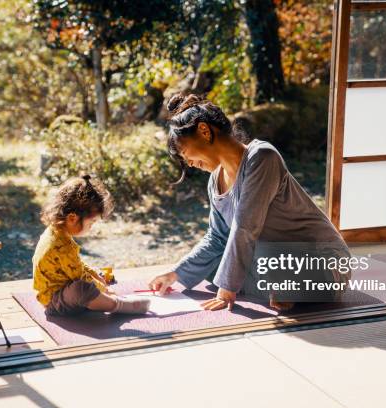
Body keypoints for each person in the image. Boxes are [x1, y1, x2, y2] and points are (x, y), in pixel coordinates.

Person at [149, 93, 350, 312]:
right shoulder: (215, 180)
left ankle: (291, 285)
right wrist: (174, 273)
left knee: (251, 254)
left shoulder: (262, 157)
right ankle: (283, 288)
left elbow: (246, 226)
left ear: (204, 131)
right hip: (274, 259)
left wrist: (227, 288)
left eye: (185, 153)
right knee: (213, 265)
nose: (188, 163)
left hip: (322, 261)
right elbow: (216, 237)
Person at [33, 175, 150, 316]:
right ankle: (118, 305)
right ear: (72, 218)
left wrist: (95, 275)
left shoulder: (56, 232)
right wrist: (103, 289)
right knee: (83, 289)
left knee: (93, 279)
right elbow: (80, 277)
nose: (91, 227)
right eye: (91, 223)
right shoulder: (62, 247)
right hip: (55, 301)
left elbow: (77, 266)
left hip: (63, 291)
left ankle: (98, 298)